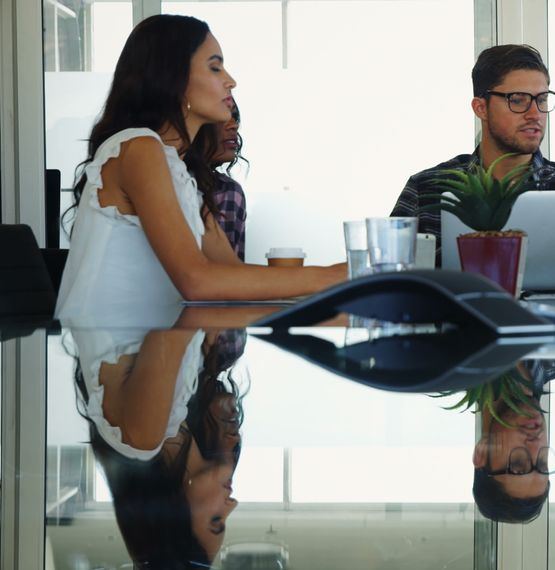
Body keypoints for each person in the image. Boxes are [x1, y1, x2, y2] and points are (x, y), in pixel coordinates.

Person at [55, 15, 344, 321]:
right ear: (175, 79)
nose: (230, 80)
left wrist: (345, 287)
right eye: (215, 67)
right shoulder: (138, 148)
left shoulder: (181, 174)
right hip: (113, 347)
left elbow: (232, 274)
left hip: (157, 348)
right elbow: (197, 281)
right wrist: (337, 276)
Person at [389, 44, 555, 269]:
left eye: (541, 100)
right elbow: (386, 276)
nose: (535, 114)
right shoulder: (426, 188)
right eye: (517, 100)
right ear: (481, 108)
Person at [71, 326, 243, 567]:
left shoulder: (143, 438)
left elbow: (180, 324)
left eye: (216, 520)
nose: (232, 505)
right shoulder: (171, 424)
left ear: (175, 514)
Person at [471, 368, 554, 524]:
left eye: (518, 464)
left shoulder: (449, 363)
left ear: (481, 452)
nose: (536, 447)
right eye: (543, 464)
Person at [210, 101, 247, 260]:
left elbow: (227, 273)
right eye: (221, 117)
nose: (234, 126)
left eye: (235, 117)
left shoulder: (227, 191)